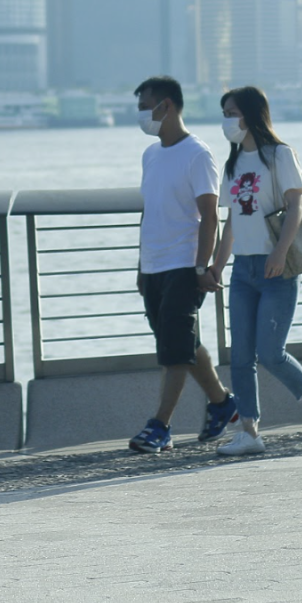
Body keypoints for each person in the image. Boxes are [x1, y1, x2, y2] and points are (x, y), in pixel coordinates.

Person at [209, 85, 302, 454]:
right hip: (243, 271)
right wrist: (217, 266)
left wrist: (280, 253)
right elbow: (231, 221)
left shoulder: (279, 155)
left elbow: (295, 206)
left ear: (251, 114)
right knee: (241, 356)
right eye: (224, 114)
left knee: (270, 352)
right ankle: (249, 432)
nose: (226, 121)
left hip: (275, 268)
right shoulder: (233, 164)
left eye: (231, 113)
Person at [128, 76, 241, 453]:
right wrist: (142, 265)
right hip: (155, 265)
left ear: (167, 106)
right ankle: (224, 404)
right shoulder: (151, 155)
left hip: (183, 265)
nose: (143, 114)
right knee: (181, 342)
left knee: (175, 350)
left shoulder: (198, 154)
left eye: (147, 106)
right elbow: (150, 213)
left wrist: (201, 267)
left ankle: (160, 426)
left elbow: (210, 216)